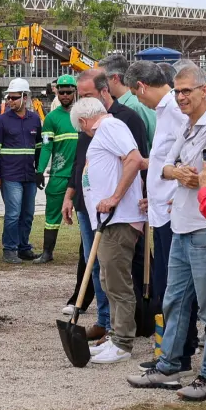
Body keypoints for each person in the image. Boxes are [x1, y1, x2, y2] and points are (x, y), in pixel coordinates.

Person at [127, 62, 206, 400]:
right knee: (174, 299)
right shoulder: (188, 126)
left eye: (186, 91)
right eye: (177, 91)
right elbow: (163, 165)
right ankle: (171, 365)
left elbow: (203, 174)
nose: (180, 97)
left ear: (204, 90)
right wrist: (179, 174)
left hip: (205, 227)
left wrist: (197, 178)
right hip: (181, 224)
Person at [61, 69, 149, 340]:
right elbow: (84, 163)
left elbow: (135, 160)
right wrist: (73, 193)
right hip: (101, 217)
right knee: (104, 277)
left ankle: (122, 338)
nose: (83, 132)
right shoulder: (97, 130)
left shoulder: (113, 124)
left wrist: (115, 198)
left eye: (82, 126)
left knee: (116, 279)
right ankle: (111, 330)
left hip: (117, 217)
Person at [0, 78, 41, 264]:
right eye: (9, 98)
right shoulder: (1, 121)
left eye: (14, 97)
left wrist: (39, 171)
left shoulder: (35, 119)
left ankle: (23, 247)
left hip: (29, 175)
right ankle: (9, 249)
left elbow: (39, 148)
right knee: (13, 213)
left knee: (28, 214)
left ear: (25, 97)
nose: (10, 101)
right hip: (10, 175)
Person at [33, 74, 78, 264]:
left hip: (84, 175)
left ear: (75, 92)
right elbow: (46, 146)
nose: (65, 95)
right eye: (62, 92)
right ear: (57, 92)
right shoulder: (51, 118)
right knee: (52, 213)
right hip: (60, 174)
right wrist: (39, 170)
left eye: (69, 92)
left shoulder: (85, 113)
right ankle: (47, 252)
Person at [99, 54, 156, 152]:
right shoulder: (118, 105)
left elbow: (156, 139)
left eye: (101, 79)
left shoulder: (136, 105)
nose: (98, 84)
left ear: (115, 78)